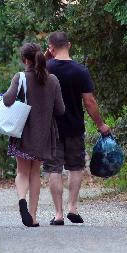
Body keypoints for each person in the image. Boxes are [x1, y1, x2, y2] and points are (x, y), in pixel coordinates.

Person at [44, 32, 111, 225]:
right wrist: (100, 124)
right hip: (75, 127)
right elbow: (89, 102)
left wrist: (45, 58)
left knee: (54, 169)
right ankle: (72, 207)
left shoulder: (46, 69)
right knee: (75, 168)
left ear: (51, 47)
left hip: (51, 128)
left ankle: (58, 214)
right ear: (69, 45)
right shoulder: (80, 71)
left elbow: (31, 77)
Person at [3, 43, 65, 227]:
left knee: (22, 171)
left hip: (23, 132)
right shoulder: (52, 80)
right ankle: (33, 215)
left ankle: (22, 199)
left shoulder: (20, 77)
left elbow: (7, 101)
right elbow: (60, 109)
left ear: (25, 60)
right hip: (43, 134)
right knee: (35, 173)